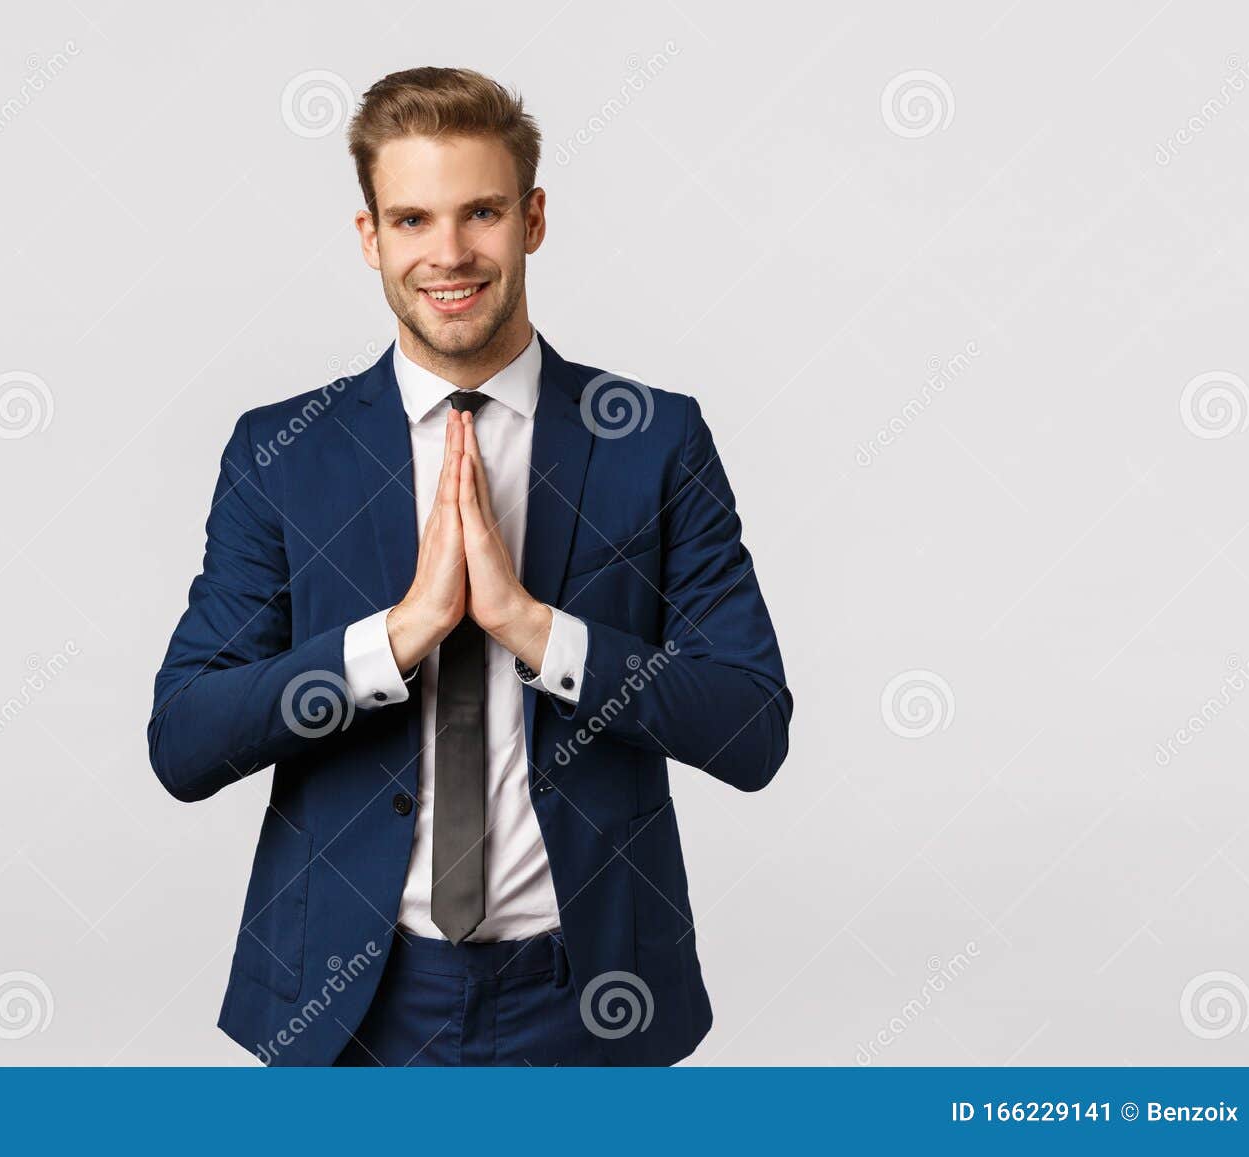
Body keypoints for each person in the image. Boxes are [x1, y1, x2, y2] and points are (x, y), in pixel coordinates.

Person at [147, 66, 793, 1066]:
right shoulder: (283, 452)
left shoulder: (652, 440)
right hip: (348, 1003)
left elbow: (751, 727)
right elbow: (184, 740)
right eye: (411, 219)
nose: (447, 253)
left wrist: (537, 631)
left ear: (532, 219)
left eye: (480, 212)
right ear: (370, 237)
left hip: (589, 999)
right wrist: (391, 640)